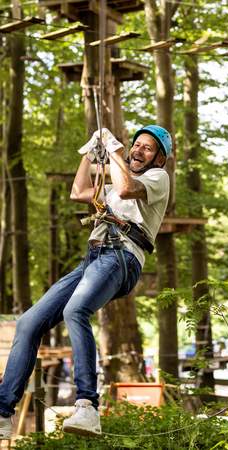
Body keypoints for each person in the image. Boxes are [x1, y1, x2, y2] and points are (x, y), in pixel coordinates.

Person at [0, 125, 172, 438]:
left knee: (75, 311)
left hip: (122, 256)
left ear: (159, 159)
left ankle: (87, 406)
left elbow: (127, 189)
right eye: (137, 145)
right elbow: (79, 192)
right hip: (93, 258)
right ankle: (2, 413)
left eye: (148, 148)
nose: (139, 150)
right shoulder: (117, 180)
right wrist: (89, 153)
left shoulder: (157, 179)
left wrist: (115, 149)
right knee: (28, 323)